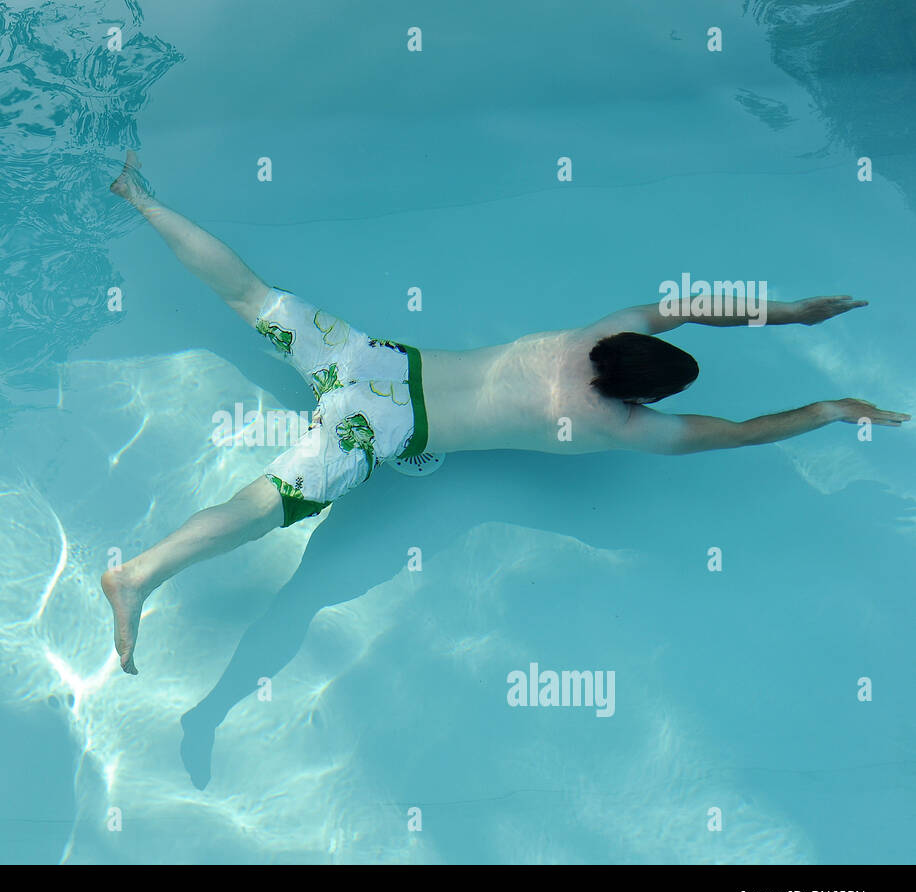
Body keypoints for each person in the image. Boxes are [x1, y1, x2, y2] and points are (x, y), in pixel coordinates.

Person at [101, 151, 908, 674]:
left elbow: (696, 305)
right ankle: (134, 577)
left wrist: (794, 311)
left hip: (373, 363)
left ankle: (136, 196)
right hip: (379, 433)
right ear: (644, 395)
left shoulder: (607, 330)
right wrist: (833, 407)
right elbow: (740, 433)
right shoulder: (620, 427)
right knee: (270, 509)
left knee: (252, 294)